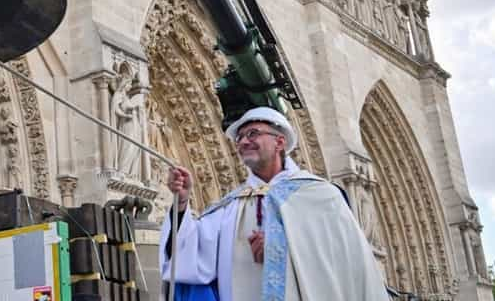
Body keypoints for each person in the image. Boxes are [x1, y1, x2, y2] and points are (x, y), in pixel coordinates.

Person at [159, 106, 388, 300]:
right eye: (240, 138)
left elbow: (345, 265)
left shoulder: (320, 195)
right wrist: (182, 202)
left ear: (279, 142)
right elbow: (188, 257)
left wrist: (278, 249)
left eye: (253, 134)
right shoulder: (231, 206)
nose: (244, 142)